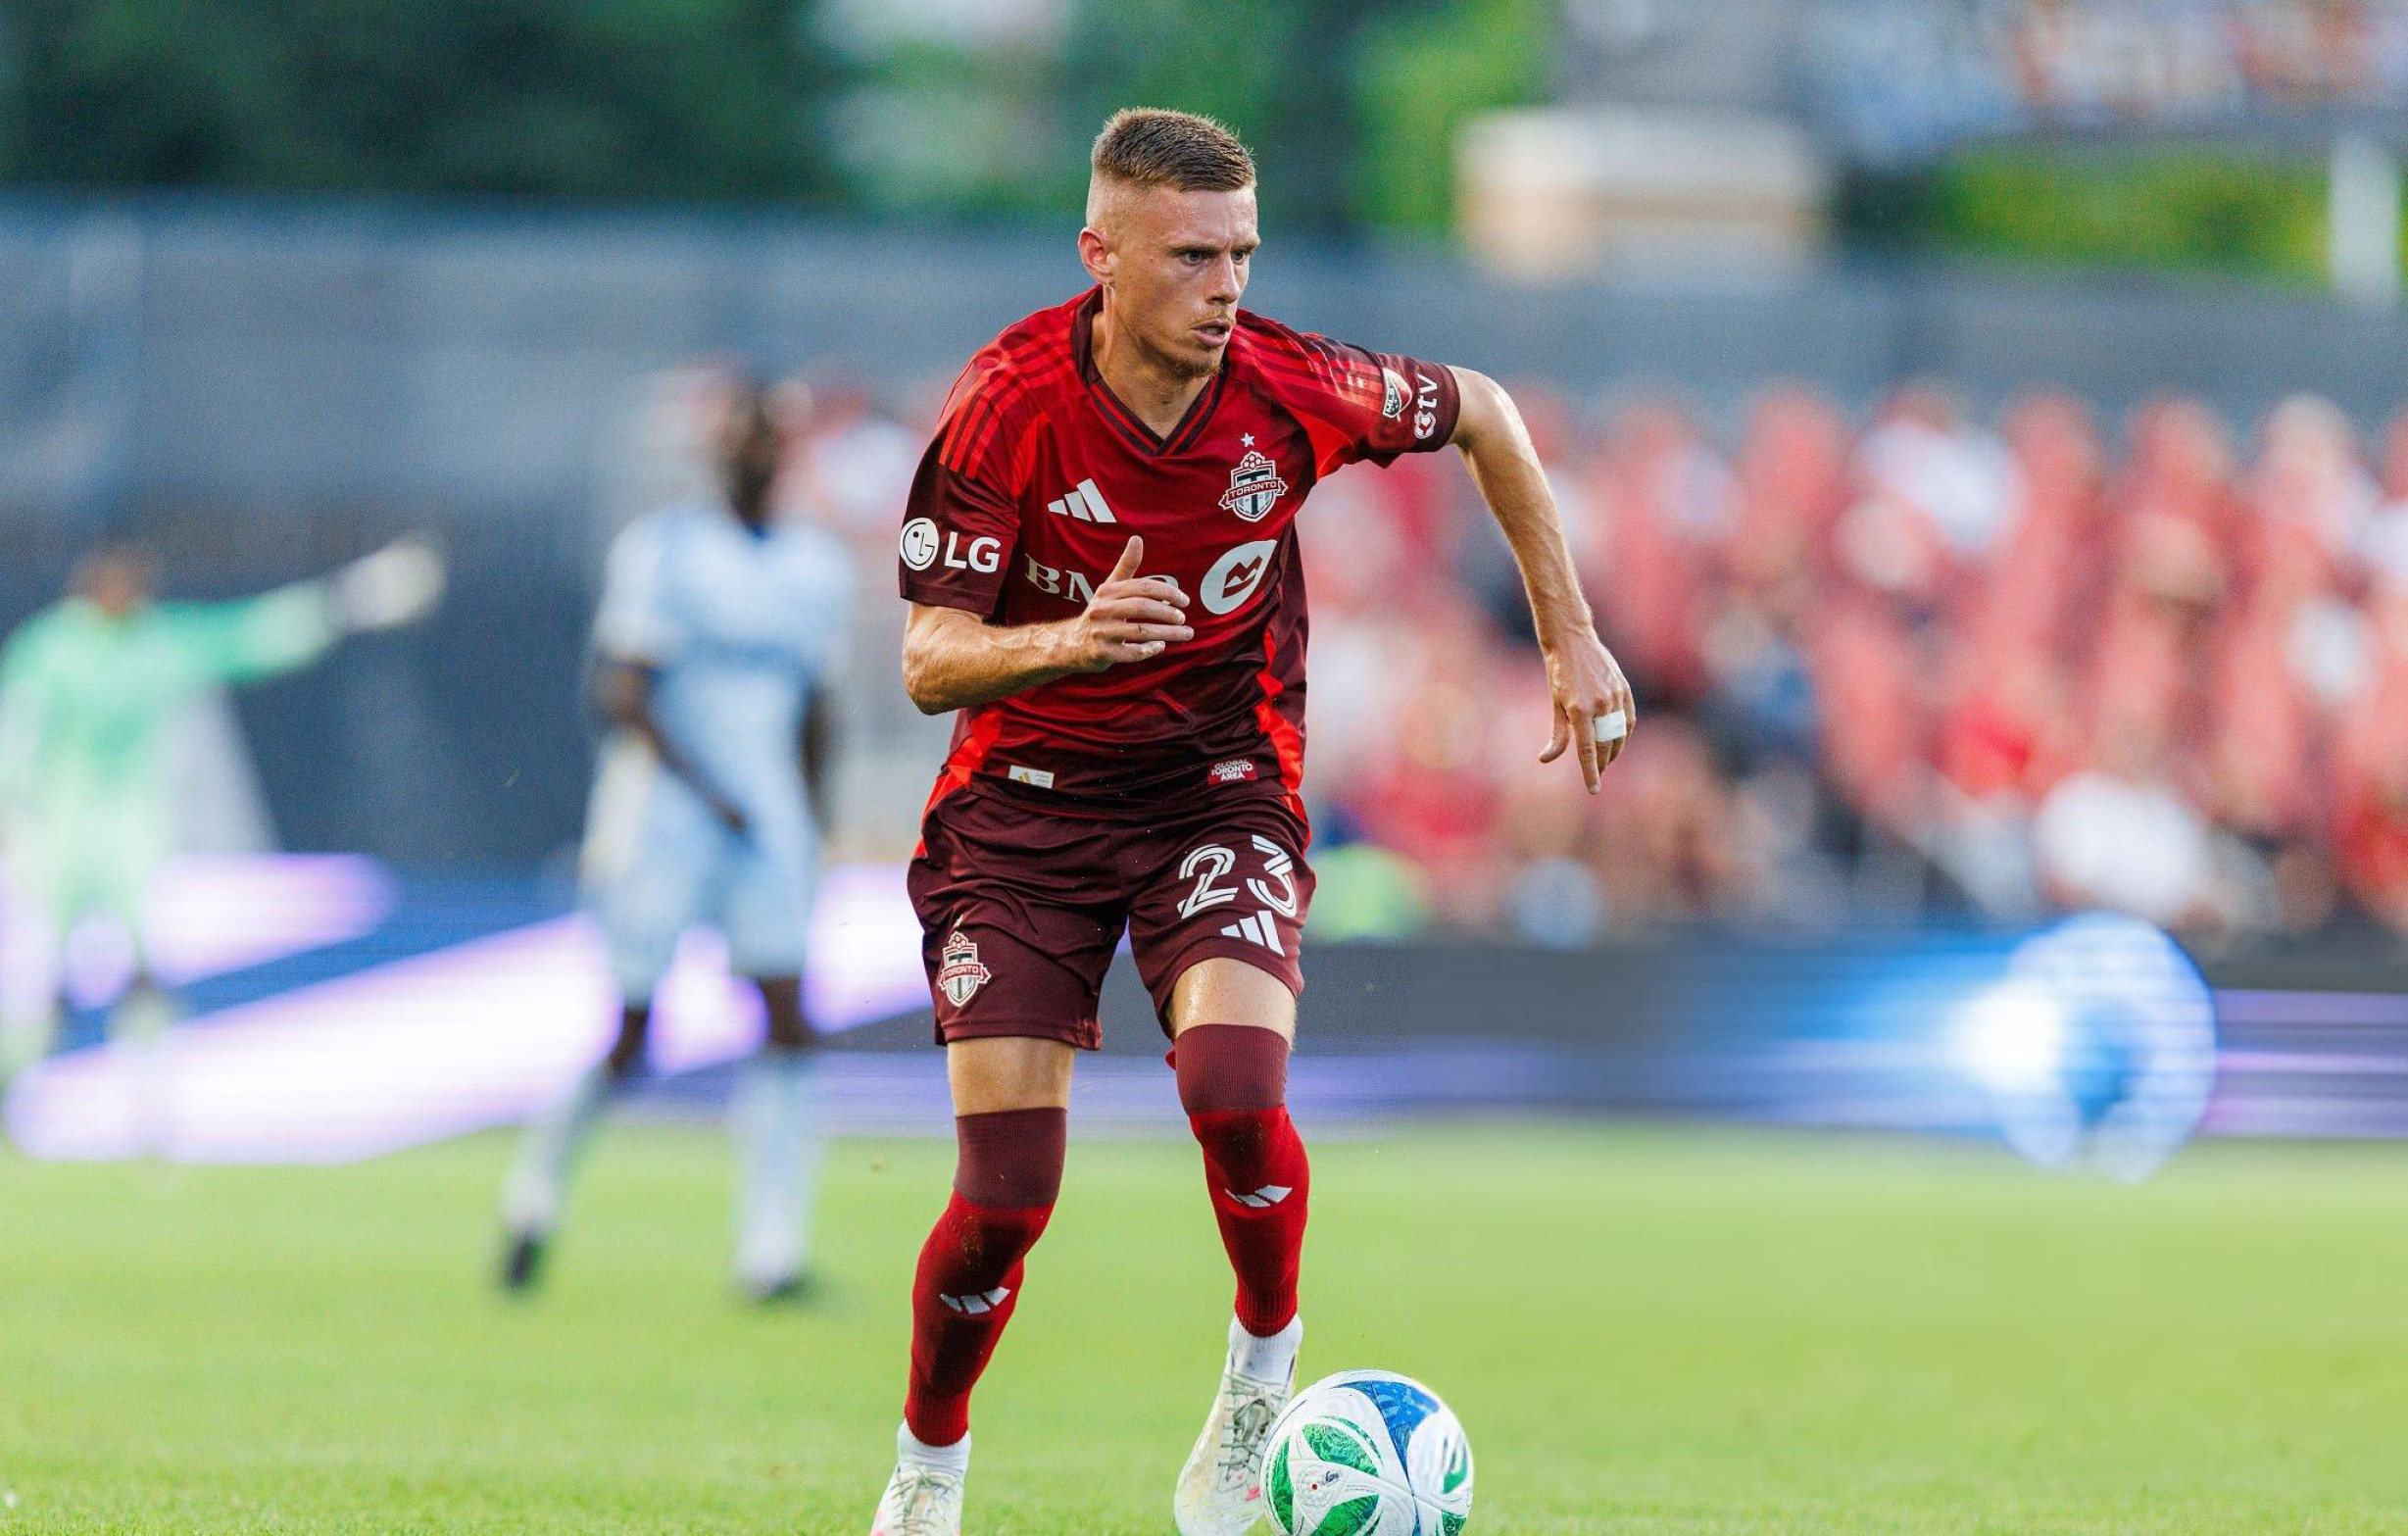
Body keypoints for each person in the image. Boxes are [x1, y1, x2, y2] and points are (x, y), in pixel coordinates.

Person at [870, 109, 1636, 1536]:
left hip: (1218, 790)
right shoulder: (1006, 403)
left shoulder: (1289, 384)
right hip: (1022, 819)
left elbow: (1484, 410)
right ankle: (928, 1465)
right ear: (1100, 255)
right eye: (1192, 257)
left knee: (1231, 1084)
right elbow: (927, 659)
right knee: (1004, 1195)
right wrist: (1066, 642)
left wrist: (1569, 633)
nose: (1227, 287)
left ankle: (1261, 1369)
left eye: (1242, 252)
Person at [498, 375, 854, 1304]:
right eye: (743, 435)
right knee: (633, 1033)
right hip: (664, 820)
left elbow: (816, 705)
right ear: (715, 447)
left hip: (767, 824)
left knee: (787, 1018)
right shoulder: (662, 551)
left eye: (772, 438)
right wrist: (712, 790)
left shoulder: (817, 566)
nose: (757, 452)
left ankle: (770, 1250)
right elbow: (621, 692)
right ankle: (534, 1191)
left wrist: (809, 819)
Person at [0, 535, 445, 1110]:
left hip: (132, 826)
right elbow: (17, 736)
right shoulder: (53, 648)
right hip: (58, 827)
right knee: (42, 976)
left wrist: (352, 599)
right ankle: (15, 1093)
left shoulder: (156, 642)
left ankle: (150, 1108)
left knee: (142, 968)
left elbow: (253, 637)